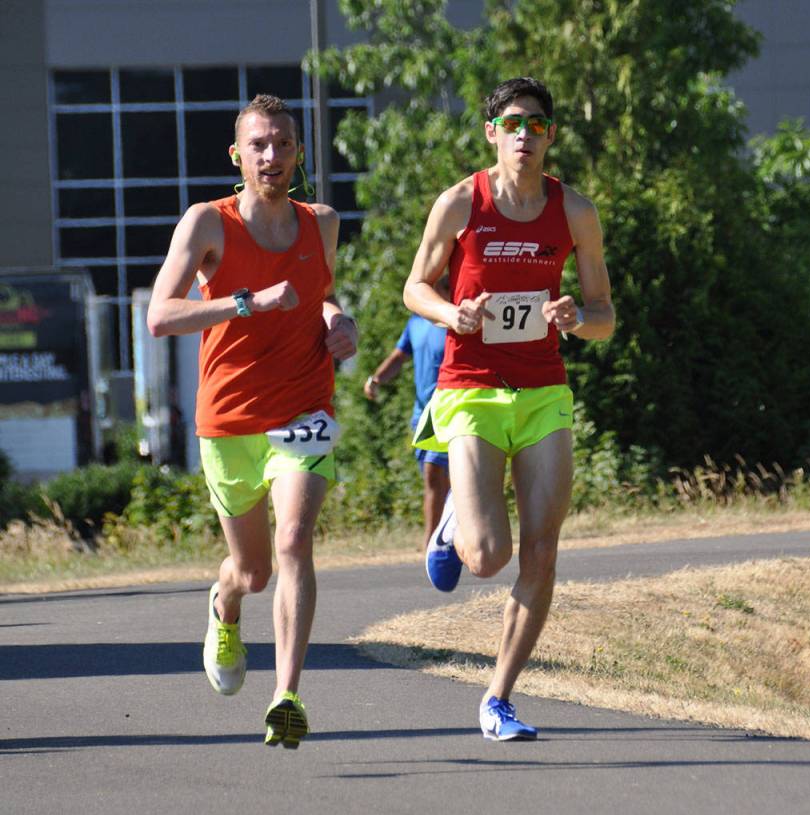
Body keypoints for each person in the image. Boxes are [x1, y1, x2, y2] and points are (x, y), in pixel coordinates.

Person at [403, 77, 615, 741]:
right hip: (470, 389)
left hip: (543, 391)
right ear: (492, 132)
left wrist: (575, 318)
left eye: (538, 124)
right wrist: (452, 314)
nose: (526, 134)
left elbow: (604, 316)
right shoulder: (460, 203)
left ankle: (498, 699)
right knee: (488, 557)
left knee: (542, 552)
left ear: (550, 136)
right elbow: (415, 287)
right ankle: (454, 526)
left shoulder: (574, 211)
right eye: (514, 123)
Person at [147, 94, 358, 749]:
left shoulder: (322, 222)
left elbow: (321, 297)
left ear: (299, 154)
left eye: (283, 144)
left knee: (295, 539)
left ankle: (286, 696)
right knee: (255, 572)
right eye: (259, 145)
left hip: (304, 408)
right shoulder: (207, 223)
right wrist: (246, 303)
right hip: (229, 419)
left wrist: (340, 322)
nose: (272, 156)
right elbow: (160, 316)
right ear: (238, 155)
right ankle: (225, 602)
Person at [363, 276, 450, 552]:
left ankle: (433, 542)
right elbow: (399, 356)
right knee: (436, 478)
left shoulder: (454, 321)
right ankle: (443, 537)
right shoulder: (416, 322)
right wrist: (376, 379)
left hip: (450, 409)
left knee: (435, 474)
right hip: (422, 414)